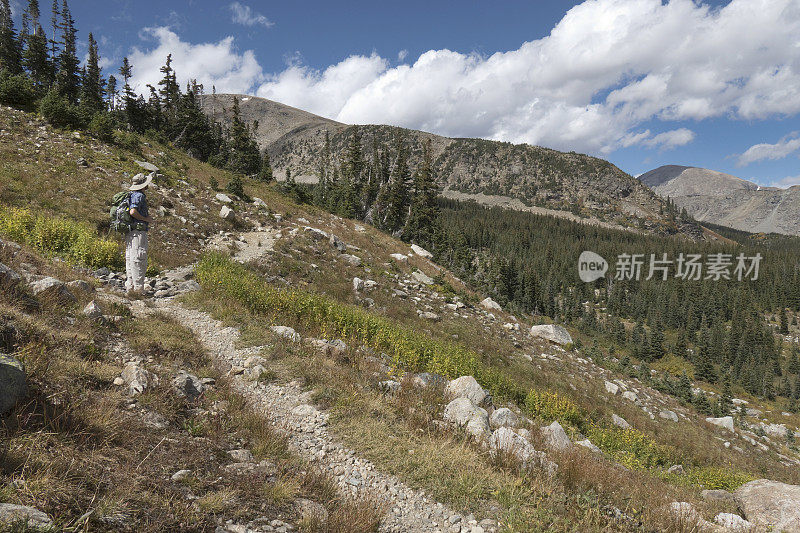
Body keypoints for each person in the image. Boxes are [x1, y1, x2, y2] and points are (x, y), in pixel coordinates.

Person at [125, 173, 155, 294]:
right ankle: (138, 289)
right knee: (139, 257)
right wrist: (146, 219)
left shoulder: (131, 194)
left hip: (130, 231)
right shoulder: (139, 196)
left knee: (130, 257)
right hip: (138, 231)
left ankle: (131, 286)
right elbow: (133, 211)